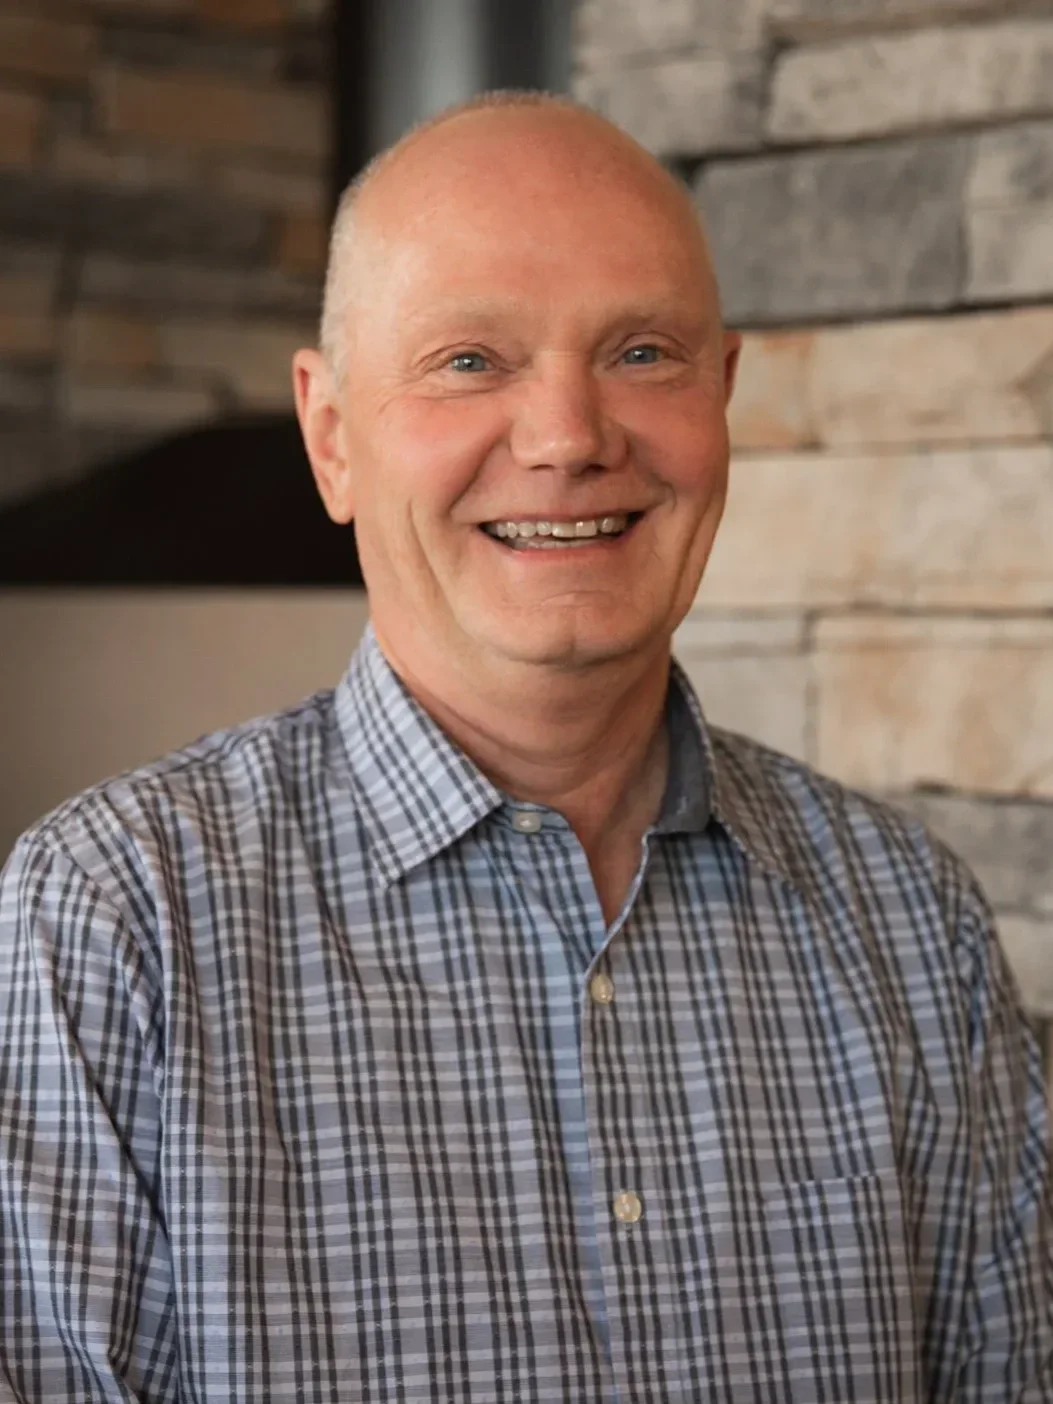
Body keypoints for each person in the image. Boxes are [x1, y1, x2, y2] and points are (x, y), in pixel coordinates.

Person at [0, 91, 1049, 1404]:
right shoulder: (110, 926)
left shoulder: (913, 928)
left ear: (723, 402)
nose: (567, 438)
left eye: (644, 353)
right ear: (332, 438)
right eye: (470, 361)